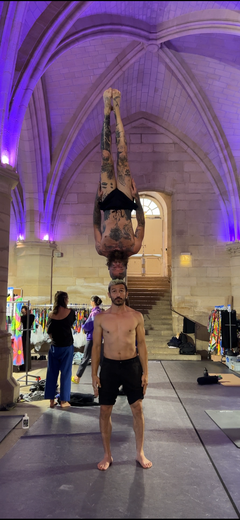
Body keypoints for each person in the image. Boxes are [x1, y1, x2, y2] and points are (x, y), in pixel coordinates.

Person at [91, 278, 152, 471]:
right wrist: (94, 374)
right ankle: (107, 454)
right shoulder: (101, 318)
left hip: (131, 365)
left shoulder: (136, 316)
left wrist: (145, 372)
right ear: (109, 294)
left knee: (137, 408)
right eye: (114, 291)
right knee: (105, 410)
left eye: (121, 290)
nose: (118, 294)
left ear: (126, 294)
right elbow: (95, 347)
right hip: (109, 367)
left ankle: (140, 452)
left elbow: (141, 344)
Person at [93, 88, 145, 279]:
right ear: (124, 267)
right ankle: (118, 110)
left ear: (108, 268)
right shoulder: (133, 247)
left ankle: (107, 113)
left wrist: (96, 199)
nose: (116, 265)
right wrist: (137, 195)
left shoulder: (101, 248)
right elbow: (141, 222)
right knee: (123, 158)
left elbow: (95, 224)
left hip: (106, 203)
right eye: (119, 268)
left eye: (113, 268)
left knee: (106, 158)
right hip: (125, 200)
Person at [44, 291, 75, 408]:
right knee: (66, 373)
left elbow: (49, 331)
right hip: (66, 347)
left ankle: (51, 400)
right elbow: (70, 324)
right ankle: (64, 401)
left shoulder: (51, 314)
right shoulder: (70, 312)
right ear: (65, 299)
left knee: (51, 373)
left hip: (54, 347)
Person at [72, 295, 103, 384]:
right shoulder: (101, 312)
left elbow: (88, 325)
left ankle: (77, 376)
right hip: (99, 337)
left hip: (92, 337)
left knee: (86, 357)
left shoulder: (94, 313)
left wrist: (83, 326)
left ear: (93, 302)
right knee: (100, 358)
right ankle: (106, 377)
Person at [20, 305, 35, 372]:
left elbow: (29, 318)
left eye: (24, 310)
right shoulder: (24, 317)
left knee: (26, 349)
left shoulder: (29, 317)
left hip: (26, 334)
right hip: (23, 334)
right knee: (23, 350)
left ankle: (26, 366)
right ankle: (23, 366)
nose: (23, 312)